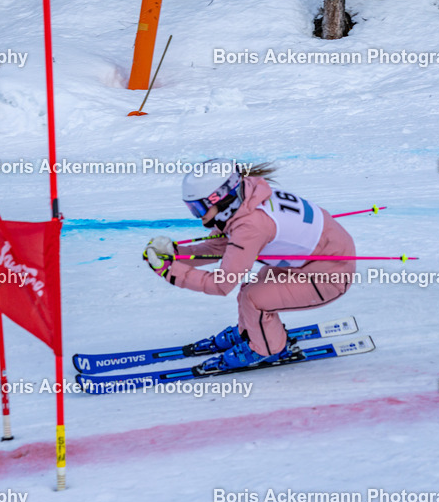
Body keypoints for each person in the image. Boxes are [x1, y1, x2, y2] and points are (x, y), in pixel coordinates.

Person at [142, 158, 356, 370]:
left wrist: (169, 271)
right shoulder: (247, 197)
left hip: (330, 274)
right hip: (308, 260)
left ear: (221, 199)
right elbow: (218, 247)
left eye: (198, 208)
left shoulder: (251, 225)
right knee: (249, 292)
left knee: (255, 300)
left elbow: (221, 284)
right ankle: (251, 332)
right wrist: (175, 255)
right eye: (191, 207)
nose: (197, 216)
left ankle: (266, 349)